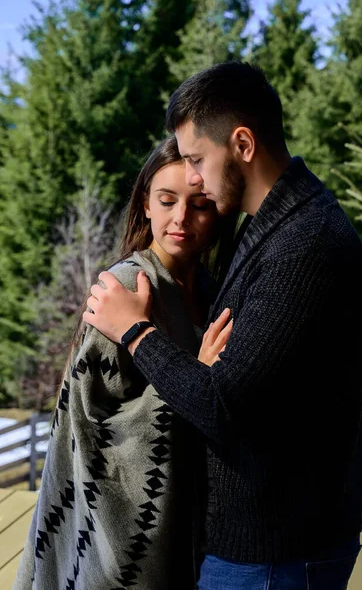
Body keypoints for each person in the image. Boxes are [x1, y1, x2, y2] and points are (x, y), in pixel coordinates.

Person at [83, 62, 362, 590]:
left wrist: (135, 331)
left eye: (197, 158)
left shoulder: (304, 246)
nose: (191, 175)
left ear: (242, 144)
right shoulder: (271, 225)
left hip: (275, 554)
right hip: (267, 546)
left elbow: (225, 408)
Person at [13, 135, 235, 590]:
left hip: (192, 525)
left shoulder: (211, 288)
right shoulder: (126, 286)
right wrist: (197, 377)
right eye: (167, 200)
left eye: (199, 205)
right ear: (146, 205)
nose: (180, 218)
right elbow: (93, 425)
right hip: (115, 542)